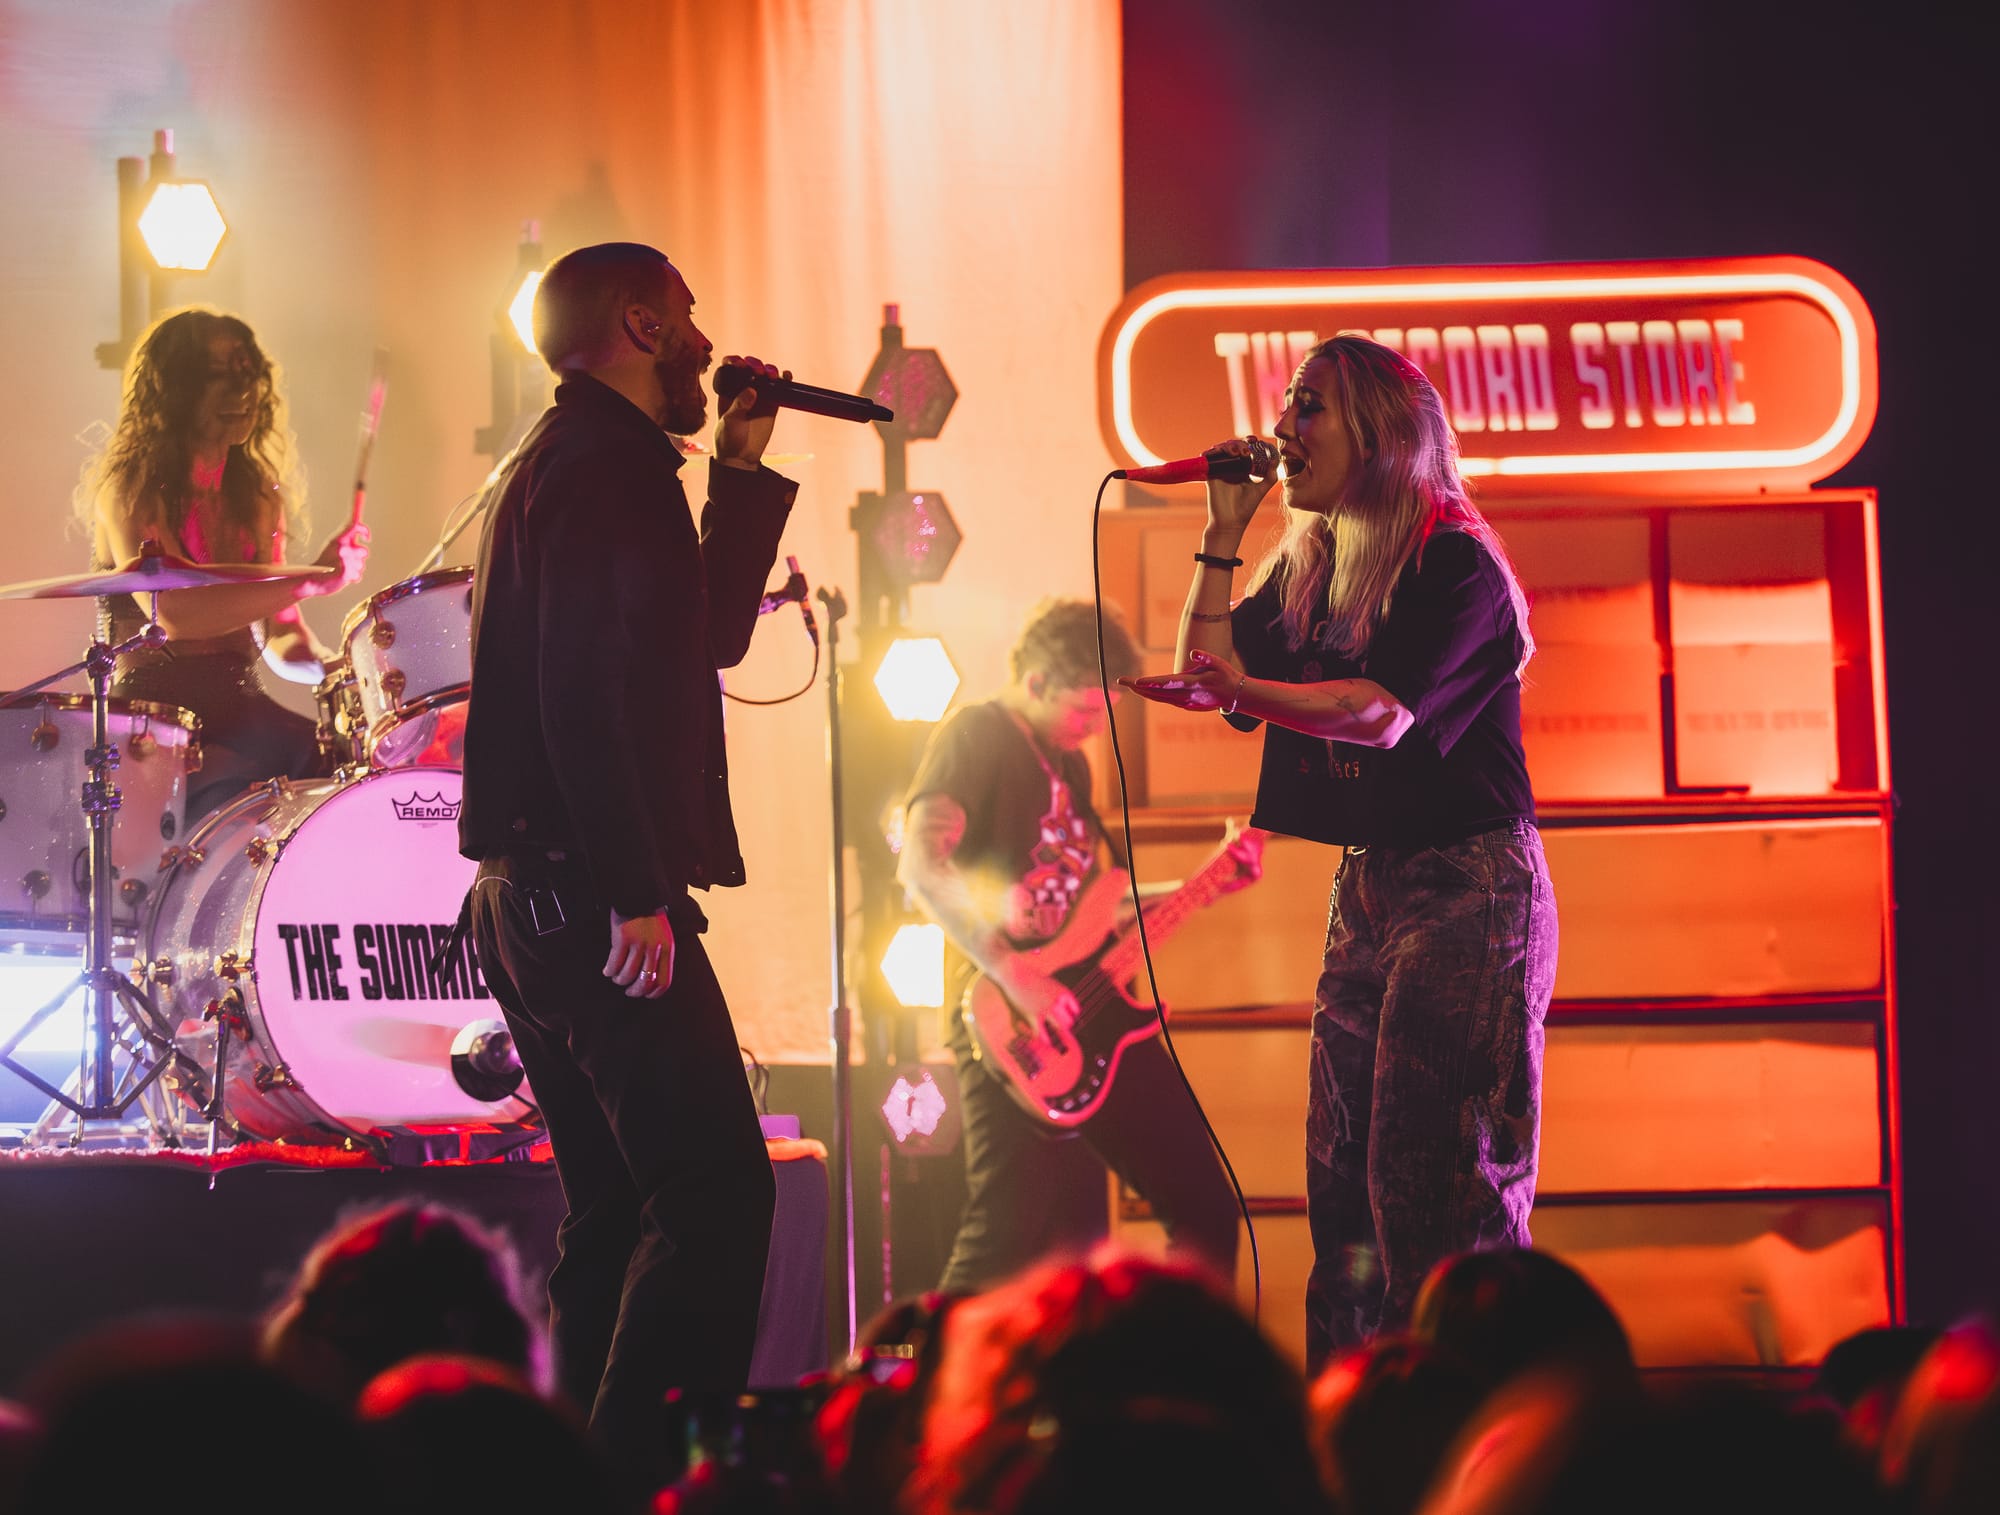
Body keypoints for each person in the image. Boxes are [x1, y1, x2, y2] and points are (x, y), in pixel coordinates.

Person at [1124, 334, 1558, 1370]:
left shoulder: (1453, 562)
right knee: (1342, 1187)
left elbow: (1378, 713)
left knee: (1432, 1187)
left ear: (1379, 433)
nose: (1282, 428)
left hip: (1470, 884)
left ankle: (1460, 1418)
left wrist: (1237, 689)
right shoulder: (1313, 566)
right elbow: (1209, 668)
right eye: (1285, 405)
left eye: (1307, 405)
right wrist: (1221, 534)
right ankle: (1350, 1422)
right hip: (1370, 880)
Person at [457, 242, 791, 1481]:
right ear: (642, 325)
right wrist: (633, 891)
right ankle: (649, 1480)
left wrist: (738, 474)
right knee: (713, 1192)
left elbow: (701, 637)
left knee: (615, 1211)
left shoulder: (582, 461)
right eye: (687, 315)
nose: (704, 339)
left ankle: (566, 1481)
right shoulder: (603, 468)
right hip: (584, 892)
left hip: (531, 899)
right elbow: (581, 696)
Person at [897, 599, 1252, 1295]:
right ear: (1036, 682)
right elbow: (920, 865)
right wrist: (1016, 975)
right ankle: (917, 1362)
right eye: (1085, 711)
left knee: (1193, 1206)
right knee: (1008, 1232)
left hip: (1086, 1013)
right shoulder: (975, 735)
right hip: (1007, 1017)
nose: (1094, 728)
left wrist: (1204, 883)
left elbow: (1095, 908)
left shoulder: (1069, 766)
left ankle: (1183, 1362)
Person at [73, 307, 369, 818]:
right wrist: (310, 580)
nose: (242, 390)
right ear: (175, 389)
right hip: (154, 719)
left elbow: (279, 636)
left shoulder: (257, 496)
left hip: (242, 709)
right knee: (243, 780)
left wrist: (339, 669)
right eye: (219, 374)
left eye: (247, 372)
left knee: (348, 774)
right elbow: (176, 615)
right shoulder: (132, 490)